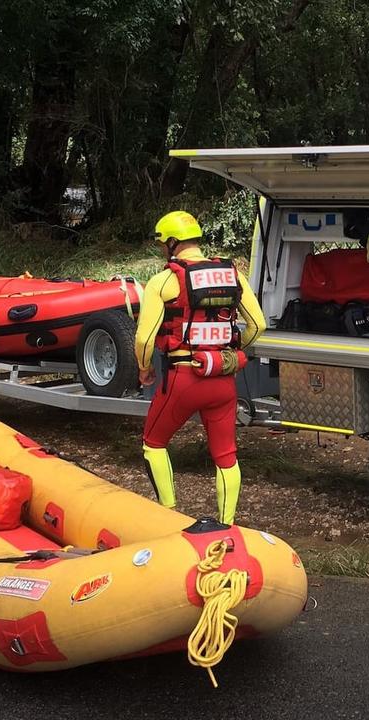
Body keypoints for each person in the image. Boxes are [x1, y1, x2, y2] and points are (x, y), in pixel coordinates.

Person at [135, 210, 263, 524]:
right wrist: (229, 350)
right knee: (226, 457)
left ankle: (168, 514)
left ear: (172, 243)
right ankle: (227, 525)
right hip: (223, 380)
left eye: (163, 243)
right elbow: (257, 326)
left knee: (153, 444)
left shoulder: (163, 281)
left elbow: (144, 338)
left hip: (184, 378)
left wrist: (143, 368)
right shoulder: (232, 274)